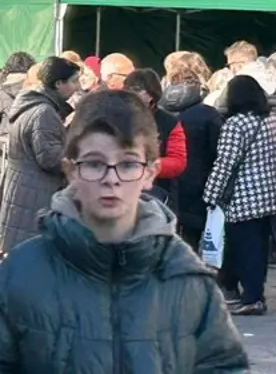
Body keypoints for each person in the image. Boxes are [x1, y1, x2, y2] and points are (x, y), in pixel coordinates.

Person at [0, 89, 250, 370]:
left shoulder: (187, 279)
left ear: (150, 173)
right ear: (71, 170)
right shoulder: (21, 274)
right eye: (95, 164)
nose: (111, 179)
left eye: (128, 164)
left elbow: (224, 365)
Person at [203, 74, 276, 315]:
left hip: (243, 198)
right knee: (259, 247)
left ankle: (252, 298)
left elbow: (225, 163)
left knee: (245, 247)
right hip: (270, 196)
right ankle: (252, 293)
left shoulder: (235, 124)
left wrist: (211, 195)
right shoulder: (272, 120)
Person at [0, 56, 79, 253]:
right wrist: (78, 160)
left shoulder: (31, 105)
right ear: (59, 83)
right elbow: (50, 158)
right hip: (35, 193)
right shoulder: (44, 112)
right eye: (74, 81)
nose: (77, 87)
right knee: (30, 256)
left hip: (22, 188)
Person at [161, 51, 225, 251]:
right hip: (198, 187)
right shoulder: (208, 114)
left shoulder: (158, 112)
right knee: (191, 245)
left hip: (162, 185)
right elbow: (219, 153)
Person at [124, 68, 189, 208]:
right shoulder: (115, 117)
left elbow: (178, 162)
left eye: (137, 90)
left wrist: (145, 166)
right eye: (128, 89)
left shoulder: (169, 122)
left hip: (158, 194)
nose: (130, 94)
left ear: (151, 94)